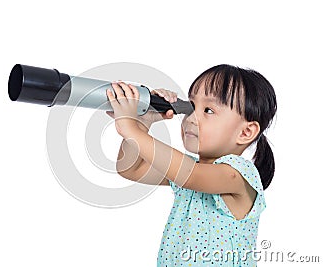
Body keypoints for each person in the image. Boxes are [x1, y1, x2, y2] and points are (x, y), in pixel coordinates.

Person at [105, 64, 277, 266]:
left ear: (245, 132)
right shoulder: (188, 172)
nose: (192, 118)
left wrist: (131, 129)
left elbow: (190, 175)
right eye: (191, 106)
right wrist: (144, 122)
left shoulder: (238, 174)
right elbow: (130, 169)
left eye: (208, 110)